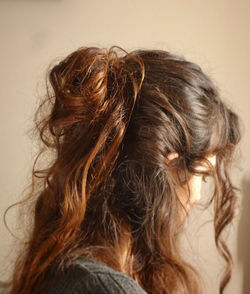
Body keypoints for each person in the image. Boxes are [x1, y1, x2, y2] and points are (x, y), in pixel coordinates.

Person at [3, 46, 241, 294]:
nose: (198, 196)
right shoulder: (106, 288)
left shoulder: (68, 269)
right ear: (168, 167)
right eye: (201, 175)